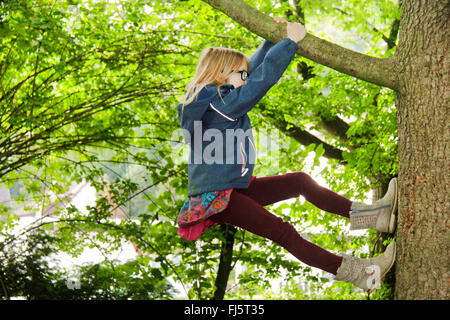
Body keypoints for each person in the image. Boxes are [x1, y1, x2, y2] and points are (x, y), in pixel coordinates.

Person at [175, 17, 396, 292]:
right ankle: (362, 273)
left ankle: (374, 216)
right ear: (221, 74)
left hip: (233, 189)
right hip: (220, 199)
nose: (245, 79)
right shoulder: (219, 105)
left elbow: (250, 71)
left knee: (300, 182)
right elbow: (259, 81)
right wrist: (289, 42)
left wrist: (271, 38)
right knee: (284, 232)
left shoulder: (219, 97)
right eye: (239, 75)